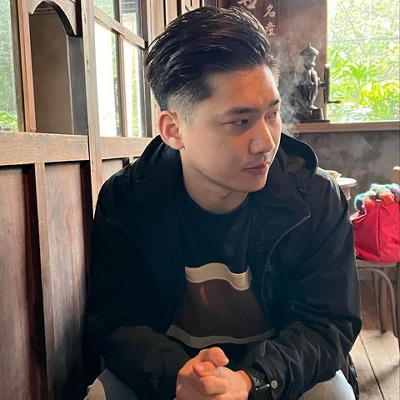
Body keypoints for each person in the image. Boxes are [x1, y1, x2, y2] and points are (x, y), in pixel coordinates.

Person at [86, 6, 361, 400]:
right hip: (173, 372)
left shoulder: (315, 198)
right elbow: (117, 323)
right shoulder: (126, 201)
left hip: (279, 374)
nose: (266, 142)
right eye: (240, 121)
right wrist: (179, 376)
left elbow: (328, 324)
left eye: (272, 114)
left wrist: (251, 381)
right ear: (174, 129)